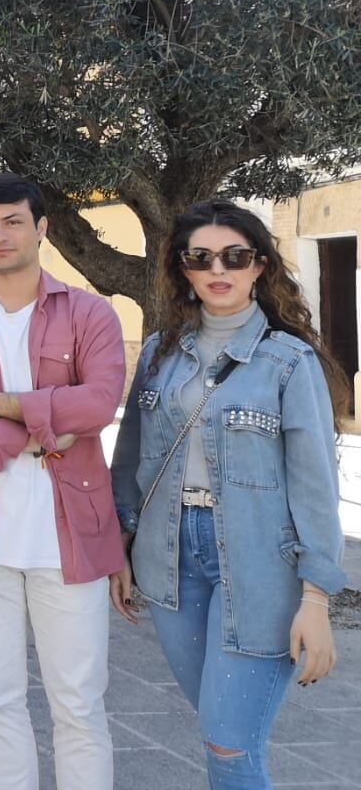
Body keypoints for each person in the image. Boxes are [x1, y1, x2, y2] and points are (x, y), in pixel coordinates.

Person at [111, 200, 345, 789]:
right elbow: (133, 457)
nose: (219, 269)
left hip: (261, 563)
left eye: (235, 256)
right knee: (222, 731)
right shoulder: (159, 352)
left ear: (260, 265)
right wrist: (119, 542)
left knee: (228, 743)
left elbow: (316, 486)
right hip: (168, 561)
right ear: (182, 268)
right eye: (201, 257)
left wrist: (316, 599)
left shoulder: (289, 362)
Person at [0, 173, 127, 790]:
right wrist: (36, 431)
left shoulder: (89, 312)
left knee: (79, 703)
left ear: (41, 227)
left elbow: (98, 402)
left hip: (73, 537)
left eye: (12, 221)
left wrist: (2, 403)